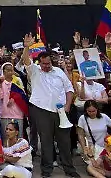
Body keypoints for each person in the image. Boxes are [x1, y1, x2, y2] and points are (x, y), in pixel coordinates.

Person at [21, 33, 79, 178]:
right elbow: (25, 59)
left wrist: (67, 106)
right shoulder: (34, 71)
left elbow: (69, 89)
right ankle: (46, 171)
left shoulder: (59, 71)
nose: (46, 66)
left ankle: (69, 169)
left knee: (64, 142)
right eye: (44, 64)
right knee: (46, 142)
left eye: (48, 63)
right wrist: (27, 47)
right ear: (39, 62)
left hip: (61, 111)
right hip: (42, 111)